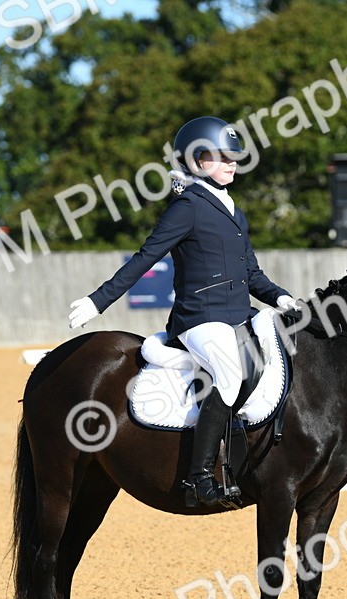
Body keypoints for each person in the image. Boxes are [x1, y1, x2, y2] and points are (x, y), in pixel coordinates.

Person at [67, 116, 300, 506]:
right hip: (200, 320)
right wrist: (98, 300)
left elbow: (252, 273)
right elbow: (145, 257)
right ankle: (198, 478)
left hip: (238, 318)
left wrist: (281, 298)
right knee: (229, 374)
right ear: (194, 161)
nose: (232, 163)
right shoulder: (188, 207)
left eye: (235, 157)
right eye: (221, 156)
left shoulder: (232, 210)